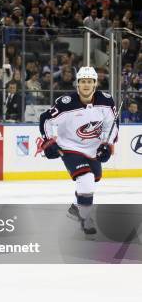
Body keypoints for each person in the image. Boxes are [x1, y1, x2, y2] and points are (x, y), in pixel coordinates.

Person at [39, 66, 117, 236]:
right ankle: (85, 219)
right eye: (82, 82)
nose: (86, 85)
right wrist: (48, 142)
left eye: (89, 81)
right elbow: (45, 119)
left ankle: (76, 207)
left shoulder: (106, 101)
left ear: (95, 84)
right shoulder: (66, 103)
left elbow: (112, 126)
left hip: (93, 148)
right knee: (86, 178)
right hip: (70, 147)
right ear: (77, 84)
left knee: (93, 179)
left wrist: (107, 144)